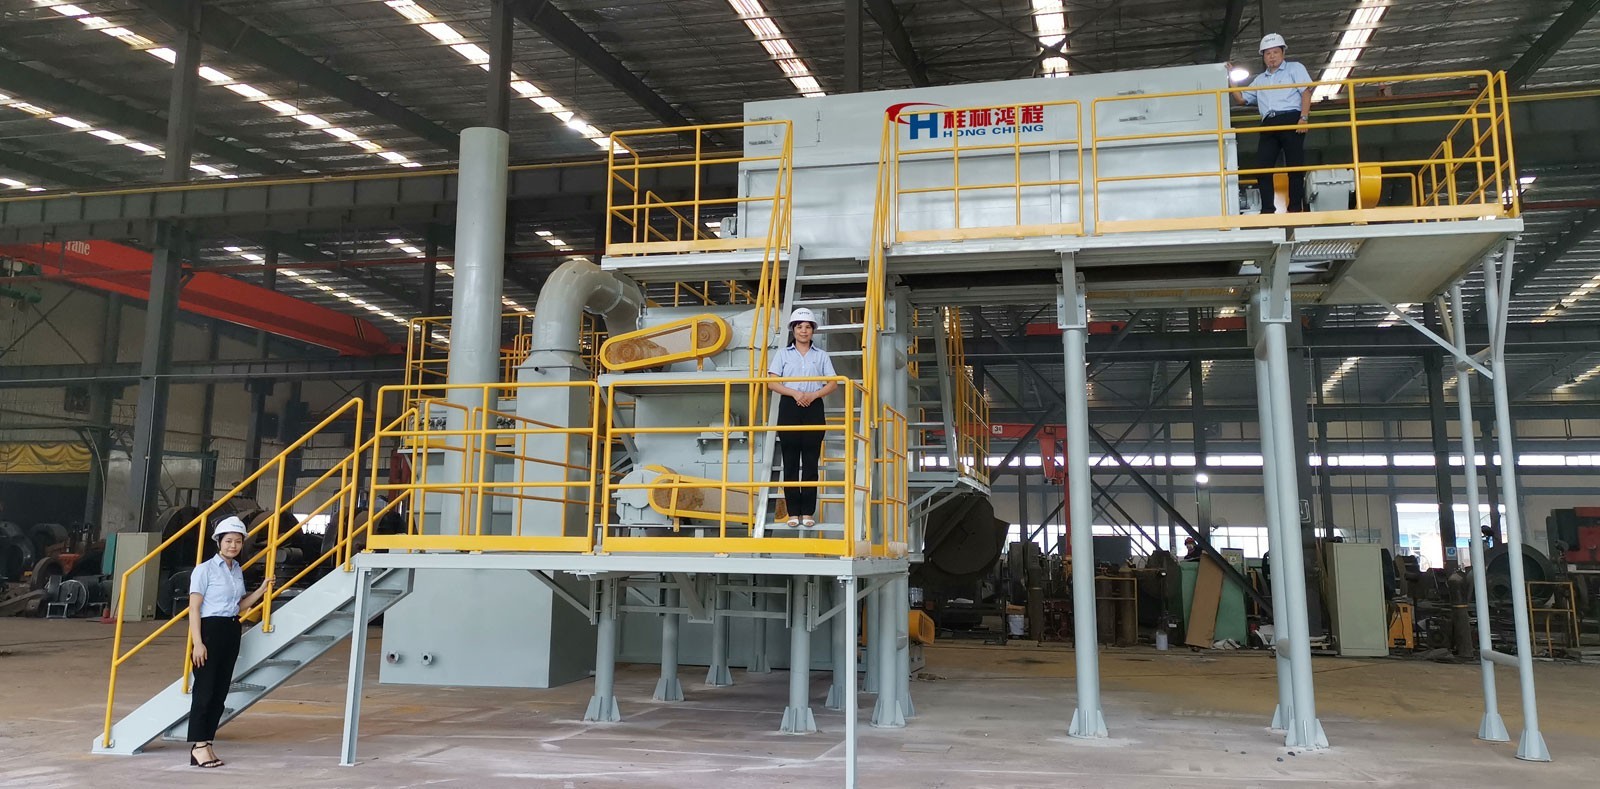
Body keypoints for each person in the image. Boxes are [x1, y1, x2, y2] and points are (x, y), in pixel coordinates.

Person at [186, 516, 267, 768]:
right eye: (229, 540)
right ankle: (198, 746)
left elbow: (238, 606)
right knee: (205, 691)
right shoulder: (204, 570)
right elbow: (194, 608)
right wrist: (198, 643)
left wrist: (261, 591)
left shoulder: (236, 571)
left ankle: (208, 742)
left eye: (238, 541)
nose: (233, 545)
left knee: (220, 692)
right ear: (218, 541)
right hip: (209, 631)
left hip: (231, 629)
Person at [766, 307, 838, 528]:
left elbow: (833, 383)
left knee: (810, 461)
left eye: (808, 327)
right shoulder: (783, 354)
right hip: (790, 405)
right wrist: (795, 393)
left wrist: (813, 395)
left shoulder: (821, 355)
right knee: (789, 461)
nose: (804, 331)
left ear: (813, 330)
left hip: (813, 406)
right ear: (793, 330)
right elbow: (772, 382)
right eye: (799, 327)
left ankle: (807, 512)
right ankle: (792, 513)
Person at [1232, 33, 1313, 213]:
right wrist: (1231, 80)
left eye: (1275, 52)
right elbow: (1242, 99)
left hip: (1291, 119)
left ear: (1283, 52)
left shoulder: (1295, 68)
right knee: (1262, 167)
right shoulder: (1260, 80)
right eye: (1268, 53)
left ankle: (1294, 209)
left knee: (1295, 166)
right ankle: (1268, 209)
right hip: (1269, 123)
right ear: (1263, 57)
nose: (1272, 56)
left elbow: (1306, 92)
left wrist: (1303, 118)